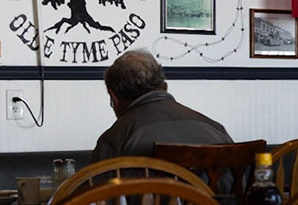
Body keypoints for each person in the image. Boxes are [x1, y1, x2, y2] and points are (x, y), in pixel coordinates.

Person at [91, 49, 232, 161]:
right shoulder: (217, 130)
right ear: (165, 87)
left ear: (114, 98)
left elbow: (95, 188)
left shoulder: (115, 139)